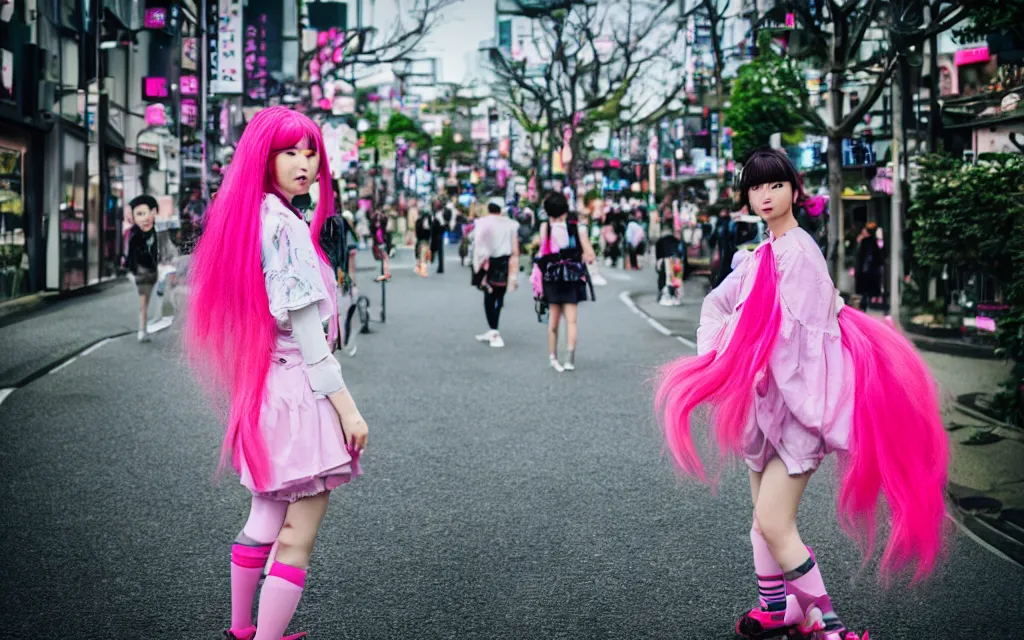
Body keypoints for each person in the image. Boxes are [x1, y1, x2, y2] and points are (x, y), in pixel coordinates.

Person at [654, 148, 949, 640]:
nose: (765, 196)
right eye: (755, 187)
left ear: (795, 190)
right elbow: (719, 305)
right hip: (767, 405)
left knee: (774, 520)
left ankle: (827, 627)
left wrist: (737, 352)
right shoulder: (762, 253)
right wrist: (725, 356)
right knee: (762, 521)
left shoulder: (799, 252)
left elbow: (797, 341)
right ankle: (777, 608)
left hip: (798, 410)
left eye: (774, 185)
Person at [184, 107, 372, 640]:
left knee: (265, 517)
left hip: (266, 392)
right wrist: (350, 413)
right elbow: (314, 343)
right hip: (300, 397)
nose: (304, 163)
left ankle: (242, 630)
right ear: (264, 159)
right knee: (297, 537)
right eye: (289, 152)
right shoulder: (285, 228)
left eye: (311, 152)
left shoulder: (255, 218)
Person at [533, 192, 596, 372]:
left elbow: (542, 254)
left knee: (553, 322)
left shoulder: (546, 228)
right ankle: (569, 359)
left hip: (552, 278)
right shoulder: (578, 229)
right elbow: (590, 256)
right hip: (571, 278)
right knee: (571, 321)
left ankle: (553, 357)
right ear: (565, 210)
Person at [472, 199, 520, 348]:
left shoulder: (482, 223)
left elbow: (478, 243)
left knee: (488, 297)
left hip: (488, 262)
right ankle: (494, 329)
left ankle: (494, 331)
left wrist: (477, 264)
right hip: (505, 262)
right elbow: (515, 247)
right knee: (499, 296)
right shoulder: (510, 224)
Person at [124, 195, 160, 342]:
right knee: (144, 302)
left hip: (150, 271)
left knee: (145, 302)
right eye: (140, 213)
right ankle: (142, 330)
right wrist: (132, 270)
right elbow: (131, 254)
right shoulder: (136, 233)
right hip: (142, 271)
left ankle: (143, 329)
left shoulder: (153, 231)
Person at [854, 222, 883, 311]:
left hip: (864, 269)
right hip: (872, 270)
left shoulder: (863, 242)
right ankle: (868, 302)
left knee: (864, 290)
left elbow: (859, 256)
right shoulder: (876, 242)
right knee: (870, 289)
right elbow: (880, 256)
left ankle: (865, 303)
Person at [414, 206, 434, 278]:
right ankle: (423, 270)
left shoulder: (419, 221)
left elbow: (417, 231)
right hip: (426, 240)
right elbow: (431, 231)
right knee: (423, 255)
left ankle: (421, 268)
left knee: (421, 254)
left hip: (421, 240)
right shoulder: (429, 221)